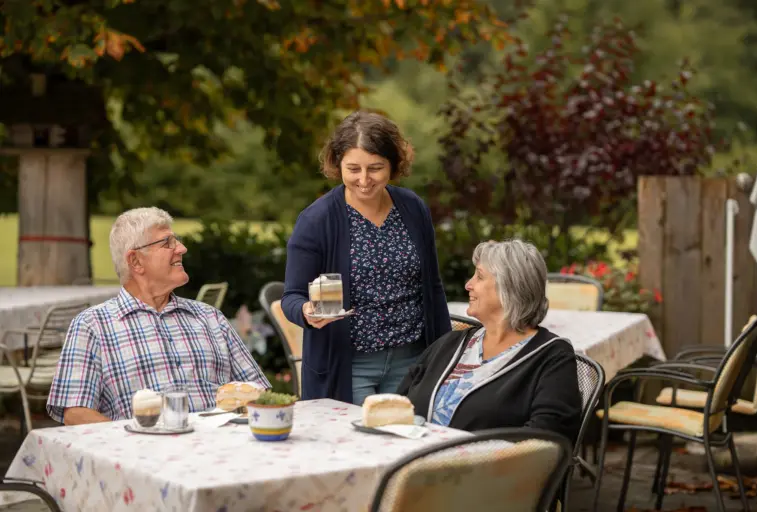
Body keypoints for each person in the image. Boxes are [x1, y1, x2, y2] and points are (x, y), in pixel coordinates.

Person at [282, 111, 451, 405]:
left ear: (394, 164)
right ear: (337, 165)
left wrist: (445, 355)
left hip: (412, 363)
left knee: (409, 448)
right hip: (348, 368)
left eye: (375, 168)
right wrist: (307, 311)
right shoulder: (316, 220)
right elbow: (291, 297)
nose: (363, 180)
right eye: (353, 169)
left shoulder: (412, 208)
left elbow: (432, 288)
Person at [46, 207, 270, 425]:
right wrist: (131, 445)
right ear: (135, 261)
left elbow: (260, 391)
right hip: (145, 455)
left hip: (221, 449)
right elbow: (76, 413)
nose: (181, 248)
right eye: (167, 243)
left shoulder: (210, 317)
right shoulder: (92, 326)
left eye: (177, 240)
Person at [397, 239, 582, 442]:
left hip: (483, 471)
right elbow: (398, 405)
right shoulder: (452, 343)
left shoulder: (551, 357)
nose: (468, 285)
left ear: (510, 287)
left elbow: (546, 439)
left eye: (479, 276)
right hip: (409, 463)